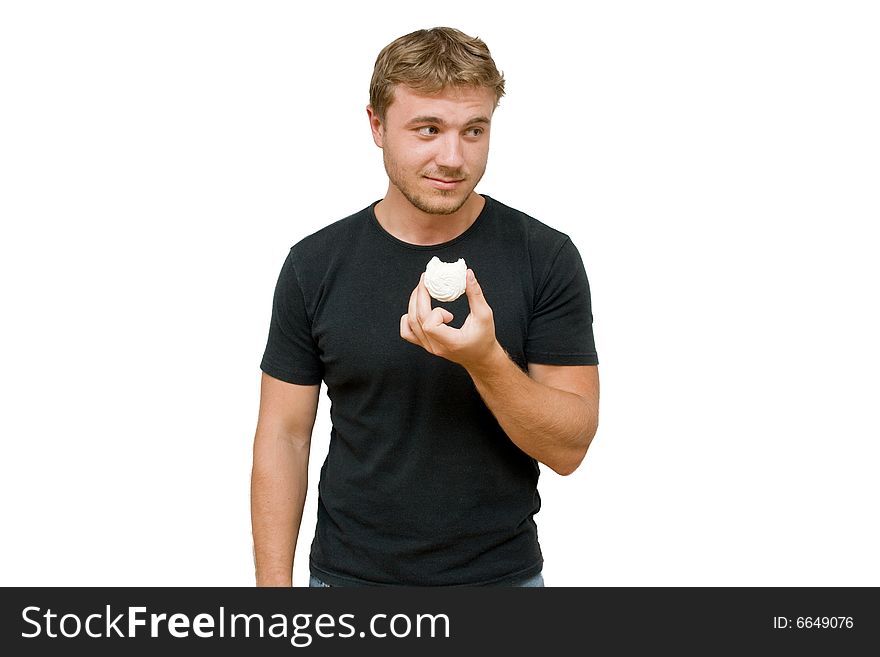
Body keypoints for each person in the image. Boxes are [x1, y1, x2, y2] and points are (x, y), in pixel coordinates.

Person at [251, 26, 599, 587]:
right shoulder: (314, 264)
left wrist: (484, 359)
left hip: (500, 584)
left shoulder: (545, 257)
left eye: (474, 130)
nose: (453, 157)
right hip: (349, 582)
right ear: (376, 127)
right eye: (428, 129)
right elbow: (283, 435)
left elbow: (569, 448)